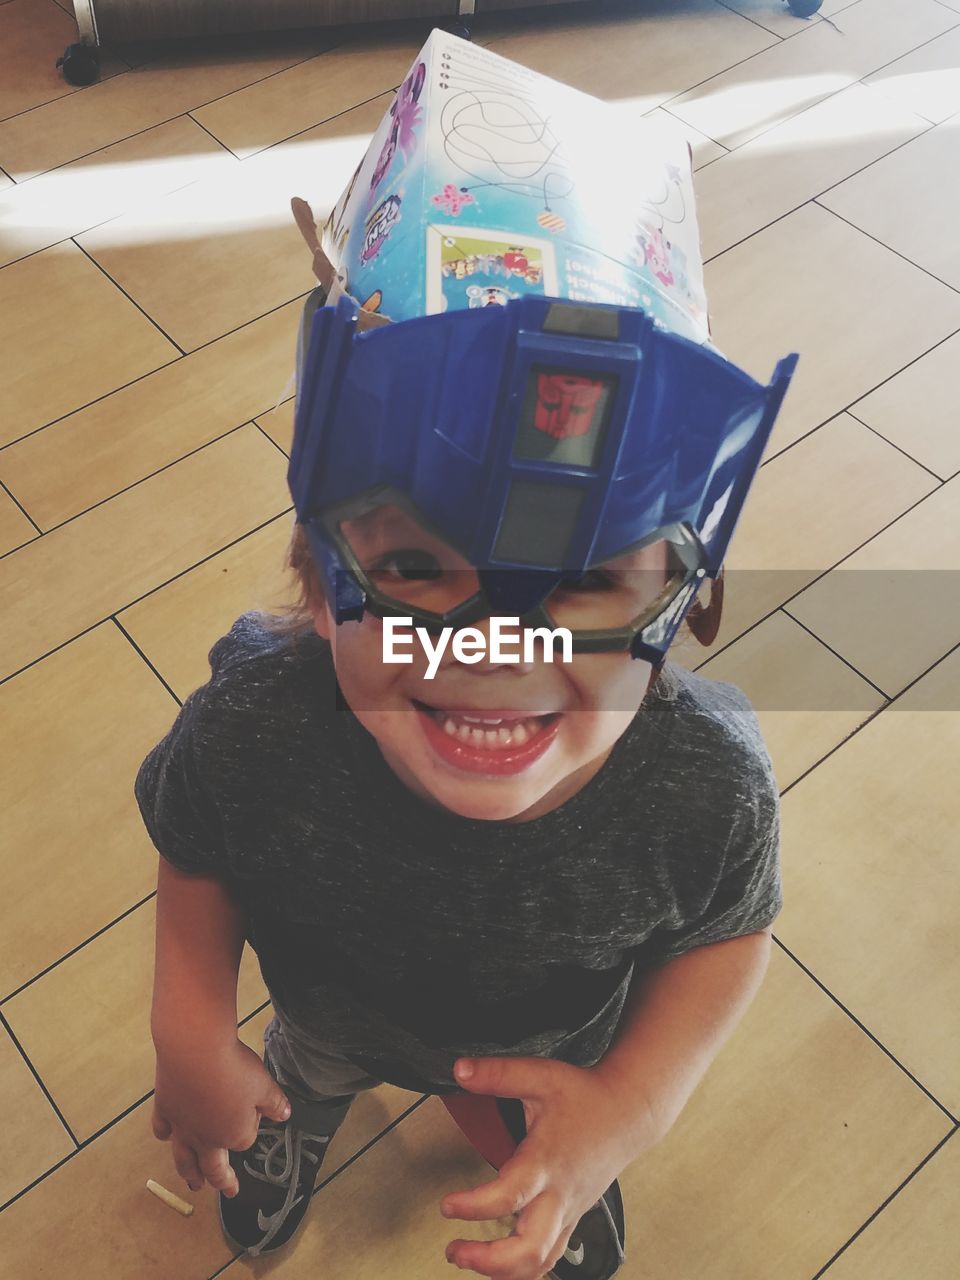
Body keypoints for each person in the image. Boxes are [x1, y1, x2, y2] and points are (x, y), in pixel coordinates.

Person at [137, 258, 796, 1280]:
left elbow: (729, 930)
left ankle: (553, 1163)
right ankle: (296, 1111)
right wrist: (188, 1034)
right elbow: (198, 841)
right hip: (328, 1017)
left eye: (585, 581)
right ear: (318, 583)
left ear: (679, 601)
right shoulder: (257, 720)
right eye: (413, 567)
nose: (498, 650)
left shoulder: (707, 787)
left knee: (535, 1122)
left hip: (547, 1051)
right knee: (305, 1068)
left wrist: (627, 1102)